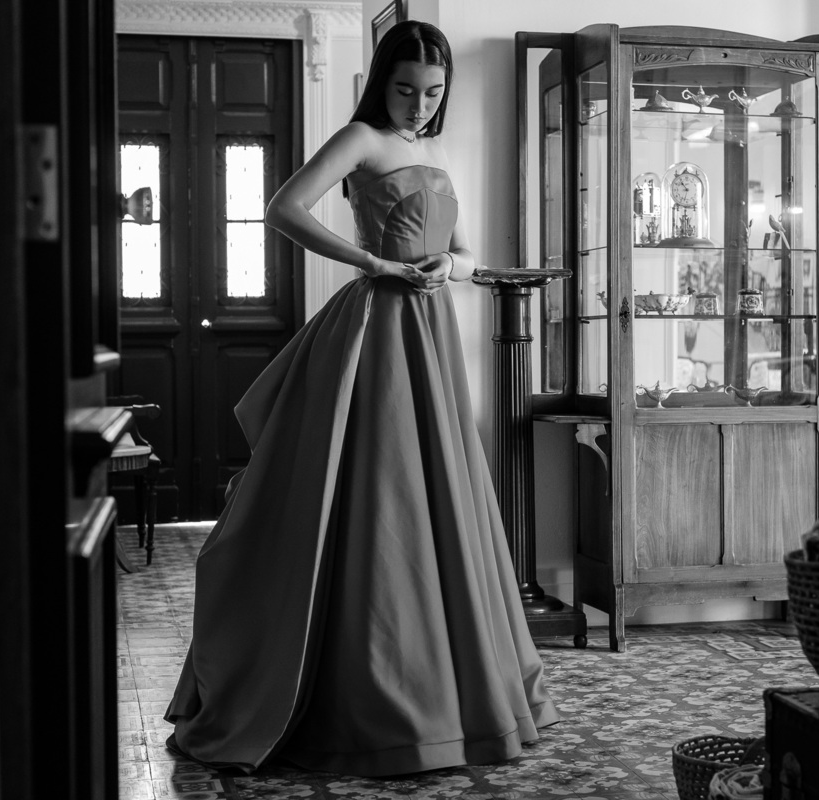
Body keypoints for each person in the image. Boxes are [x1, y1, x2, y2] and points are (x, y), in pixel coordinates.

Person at [163, 20, 560, 778]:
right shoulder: (361, 139)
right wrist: (374, 262)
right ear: (383, 82)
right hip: (377, 327)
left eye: (433, 92)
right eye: (405, 89)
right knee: (381, 492)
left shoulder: (434, 151)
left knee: (436, 488)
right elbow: (284, 208)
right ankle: (368, 685)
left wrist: (449, 267)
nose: (418, 104)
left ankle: (451, 680)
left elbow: (464, 252)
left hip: (429, 330)